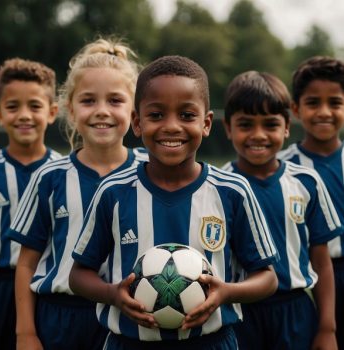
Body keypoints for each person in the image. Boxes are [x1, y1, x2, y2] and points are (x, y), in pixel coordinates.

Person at [68, 55, 278, 350]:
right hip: (128, 341)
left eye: (187, 115)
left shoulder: (233, 191)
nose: (171, 126)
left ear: (206, 124)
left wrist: (227, 293)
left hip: (211, 342)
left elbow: (267, 278)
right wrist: (114, 294)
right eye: (156, 116)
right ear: (137, 123)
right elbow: (78, 275)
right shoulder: (113, 192)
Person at [7, 37, 147, 350]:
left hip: (128, 318)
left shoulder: (151, 172)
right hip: (60, 319)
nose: (101, 111)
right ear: (70, 109)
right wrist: (25, 333)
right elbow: (27, 264)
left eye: (114, 100)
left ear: (135, 111)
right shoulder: (50, 177)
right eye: (88, 101)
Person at [222, 70, 343, 350]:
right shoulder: (220, 187)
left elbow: (321, 262)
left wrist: (327, 327)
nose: (258, 135)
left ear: (287, 127)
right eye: (245, 124)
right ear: (228, 128)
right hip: (241, 312)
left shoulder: (306, 182)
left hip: (296, 310)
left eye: (270, 124)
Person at [0, 58, 60, 350]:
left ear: (52, 112)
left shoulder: (63, 171)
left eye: (34, 106)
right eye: (12, 107)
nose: (24, 115)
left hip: (46, 287)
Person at [278, 56, 344, 350]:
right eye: (313, 102)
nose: (325, 112)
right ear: (295, 109)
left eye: (336, 103)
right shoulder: (281, 167)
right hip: (308, 285)